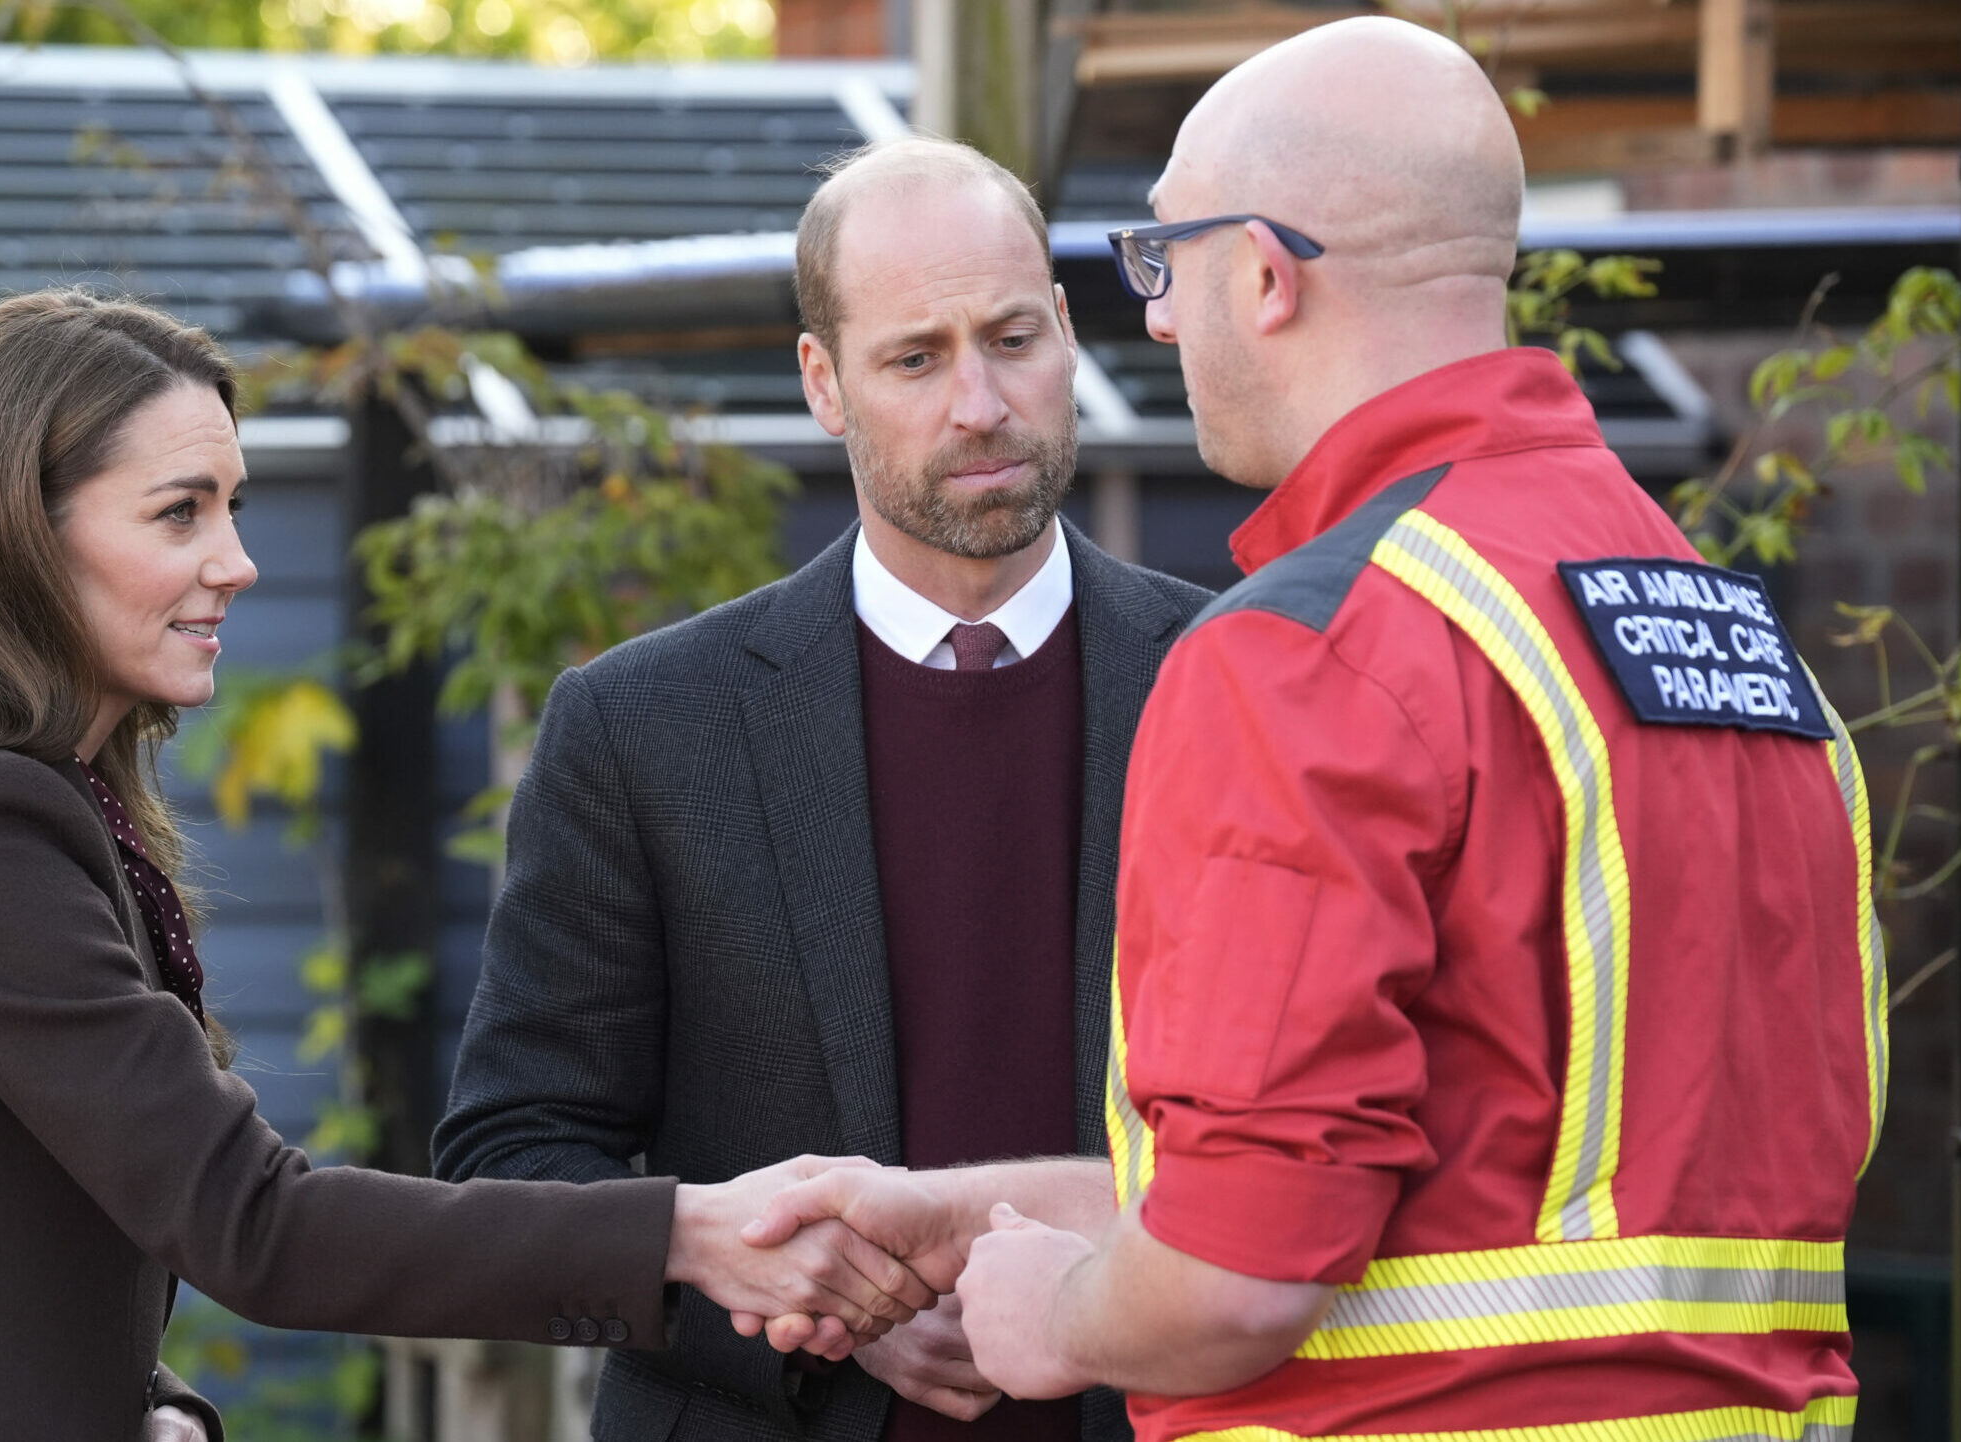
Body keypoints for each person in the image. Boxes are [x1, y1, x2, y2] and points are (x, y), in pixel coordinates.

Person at [744, 17, 1887, 1439]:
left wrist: (1055, 1313)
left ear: (1267, 277)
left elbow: (1242, 1261)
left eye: (1165, 264)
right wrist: (963, 1212)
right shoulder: (1727, 638)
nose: (1156, 318)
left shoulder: (1315, 651)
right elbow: (1473, 1178)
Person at [0, 289, 937, 1442]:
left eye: (233, 505)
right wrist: (685, 1231)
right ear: (21, 537)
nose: (236, 560)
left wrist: (141, 1406)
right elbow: (255, 1221)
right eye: (181, 511)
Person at [431, 137, 1208, 1442]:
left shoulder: (1238, 678)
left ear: (1070, 333)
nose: (980, 402)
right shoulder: (643, 728)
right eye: (916, 357)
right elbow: (517, 1159)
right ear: (823, 382)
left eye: (1012, 337)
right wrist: (814, 1312)